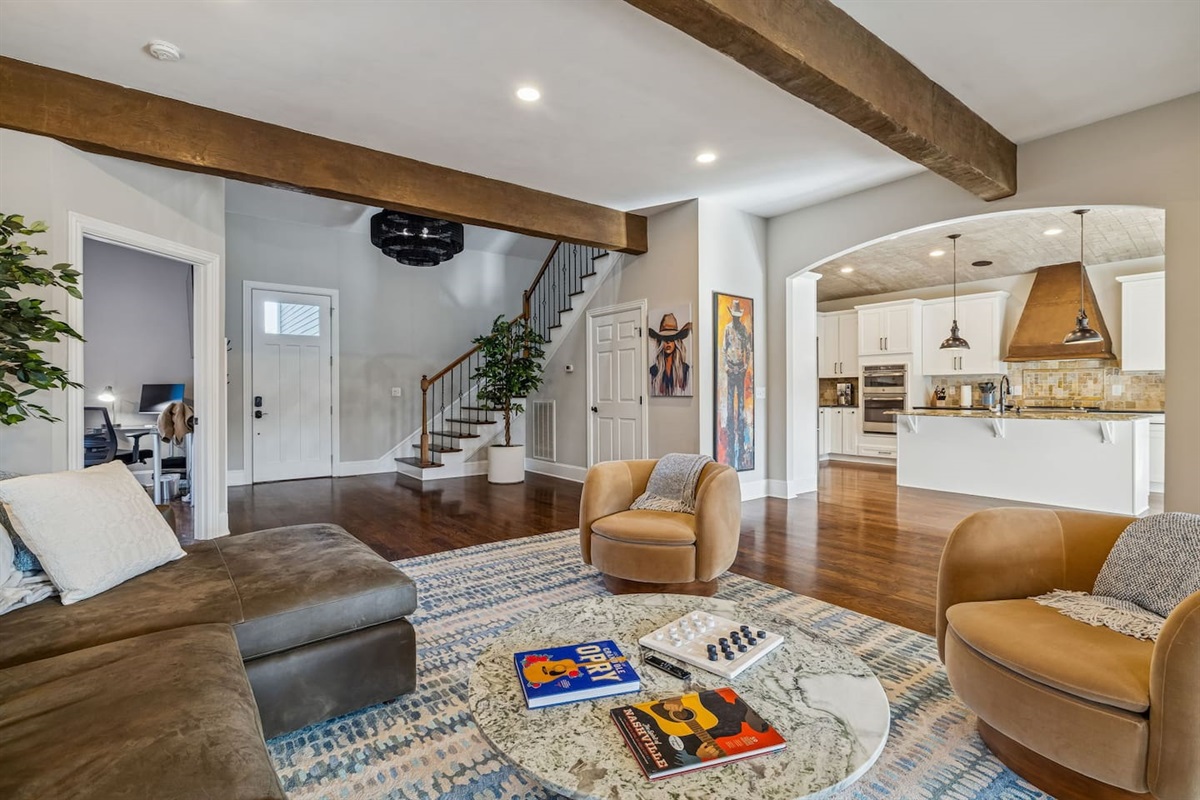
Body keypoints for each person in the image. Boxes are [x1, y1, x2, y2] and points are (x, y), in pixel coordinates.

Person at [721, 299, 751, 468]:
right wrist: (726, 365)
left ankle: (740, 422)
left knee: (740, 402)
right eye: (735, 315)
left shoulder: (743, 330)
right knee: (730, 398)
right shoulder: (727, 329)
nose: (736, 318)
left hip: (740, 368)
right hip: (730, 367)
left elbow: (748, 350)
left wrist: (746, 365)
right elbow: (724, 349)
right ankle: (731, 423)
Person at [648, 312, 692, 396]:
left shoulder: (685, 370)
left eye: (671, 338)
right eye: (665, 338)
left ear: (676, 342)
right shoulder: (653, 371)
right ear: (660, 342)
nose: (668, 342)